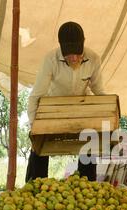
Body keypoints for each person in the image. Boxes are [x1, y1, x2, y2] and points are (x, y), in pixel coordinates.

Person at [26, 21, 105, 183]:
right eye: (69, 55)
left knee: (89, 144)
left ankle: (87, 185)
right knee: (39, 148)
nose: (75, 58)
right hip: (52, 110)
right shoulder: (50, 60)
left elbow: (99, 92)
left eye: (78, 54)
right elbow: (36, 95)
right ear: (61, 49)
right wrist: (34, 126)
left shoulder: (94, 59)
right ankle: (35, 186)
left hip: (81, 110)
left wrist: (108, 116)